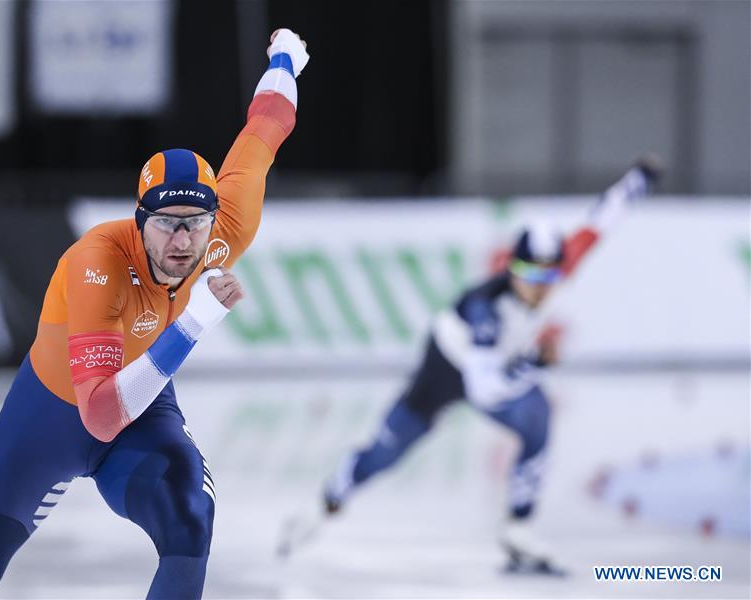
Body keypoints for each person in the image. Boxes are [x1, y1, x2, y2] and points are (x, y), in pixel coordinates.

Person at [0, 28, 309, 600]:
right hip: (49, 418)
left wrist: (287, 58)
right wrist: (194, 323)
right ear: (138, 220)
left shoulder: (225, 230)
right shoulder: (97, 260)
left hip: (142, 408)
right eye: (166, 223)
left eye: (196, 224)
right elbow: (97, 415)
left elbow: (267, 126)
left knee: (191, 516)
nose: (182, 242)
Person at [279, 157, 662, 574]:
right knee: (388, 452)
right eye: (528, 276)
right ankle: (326, 501)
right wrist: (533, 362)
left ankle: (518, 527)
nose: (537, 289)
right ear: (510, 270)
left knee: (538, 415)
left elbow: (600, 222)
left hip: (495, 364)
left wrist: (637, 180)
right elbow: (485, 389)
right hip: (446, 368)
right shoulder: (486, 310)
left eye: (548, 279)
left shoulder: (557, 270)